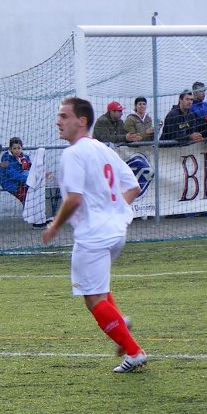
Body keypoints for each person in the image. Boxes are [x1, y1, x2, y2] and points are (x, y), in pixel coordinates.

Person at [40, 97, 147, 374]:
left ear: (82, 121)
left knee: (92, 299)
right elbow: (134, 186)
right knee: (99, 289)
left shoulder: (73, 153)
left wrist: (54, 226)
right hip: (116, 232)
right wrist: (114, 211)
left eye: (64, 116)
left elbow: (74, 198)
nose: (58, 121)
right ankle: (120, 324)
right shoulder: (103, 149)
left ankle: (134, 351)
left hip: (93, 235)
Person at [0, 137, 31, 204]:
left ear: (21, 148)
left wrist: (41, 174)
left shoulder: (24, 158)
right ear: (10, 149)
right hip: (10, 183)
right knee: (26, 199)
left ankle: (29, 210)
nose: (17, 150)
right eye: (14, 148)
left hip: (22, 181)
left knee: (31, 196)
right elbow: (12, 174)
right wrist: (28, 179)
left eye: (19, 148)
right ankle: (28, 210)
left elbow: (31, 168)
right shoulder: (6, 158)